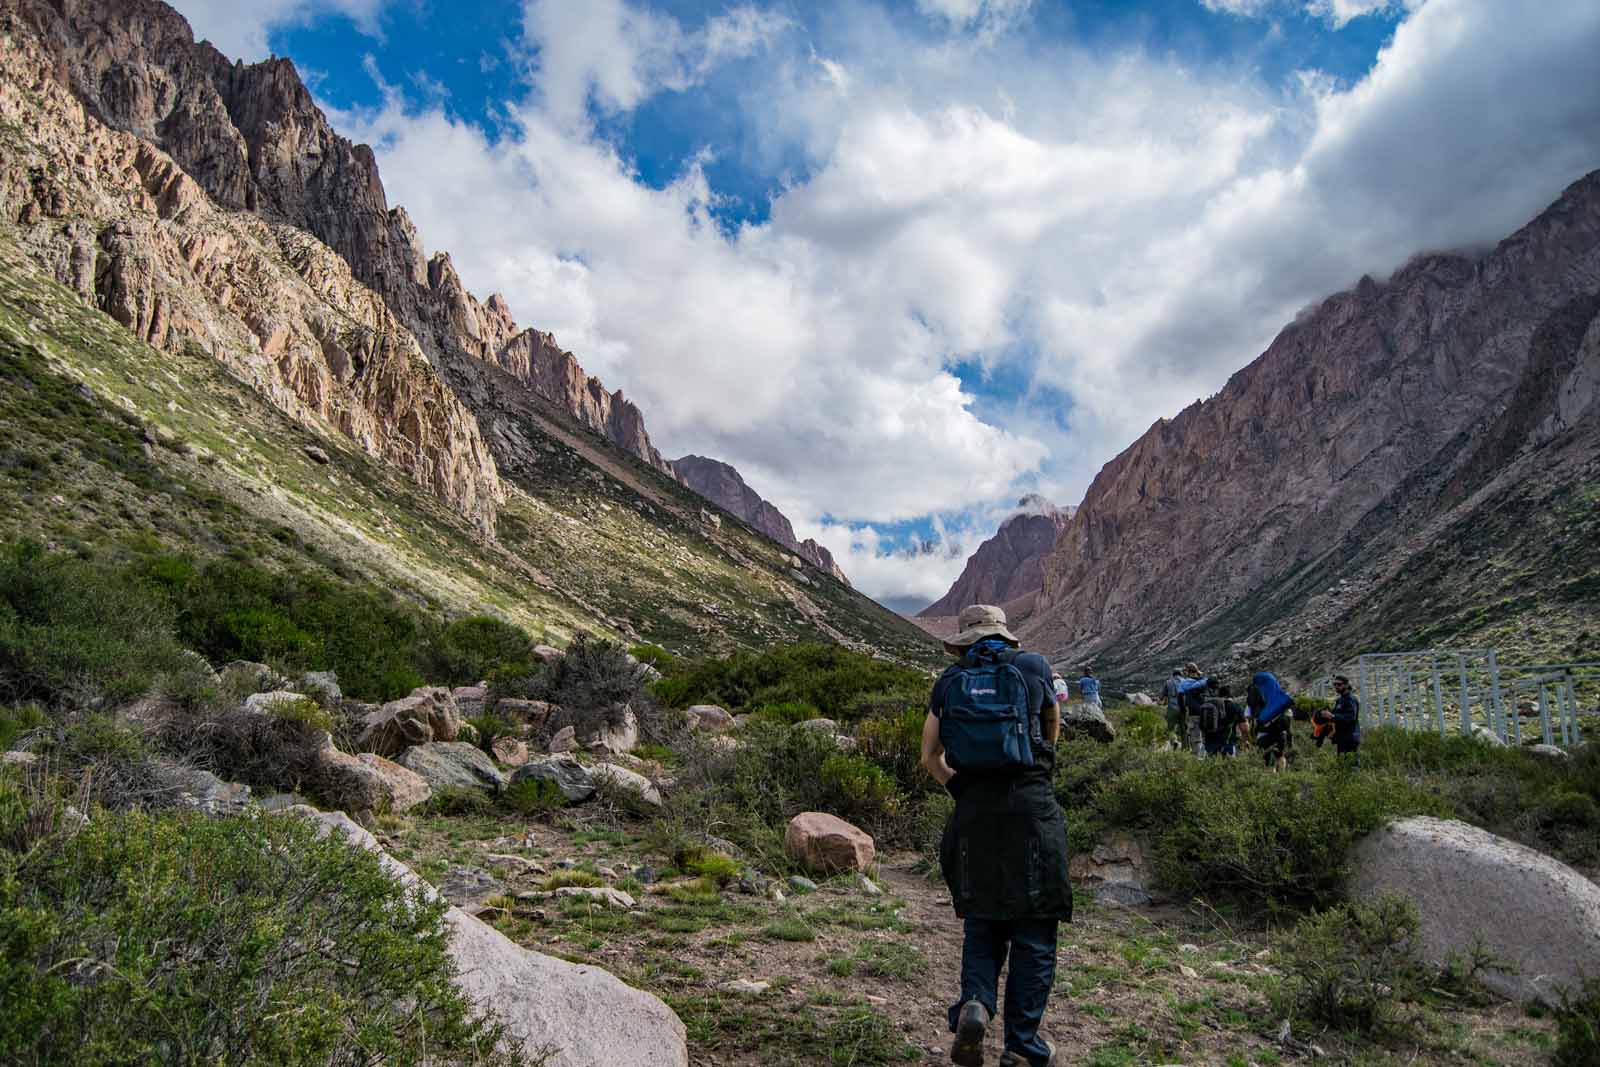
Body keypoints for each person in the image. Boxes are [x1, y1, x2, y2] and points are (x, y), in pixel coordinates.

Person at [922, 604, 1070, 1067]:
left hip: (974, 816)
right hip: (1031, 809)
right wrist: (1039, 772)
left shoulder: (950, 680)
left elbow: (929, 756)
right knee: (1035, 929)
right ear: (1005, 635)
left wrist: (961, 789)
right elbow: (1052, 726)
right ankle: (1022, 1046)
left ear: (963, 641)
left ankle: (976, 1004)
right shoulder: (1034, 667)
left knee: (982, 922)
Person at [1247, 670, 1294, 772]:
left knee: (1267, 762)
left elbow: (1249, 718)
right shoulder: (1280, 696)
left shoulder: (1254, 696)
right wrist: (1289, 737)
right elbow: (1289, 717)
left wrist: (1250, 737)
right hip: (1280, 733)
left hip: (1263, 734)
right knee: (1280, 755)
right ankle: (1282, 777)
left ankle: (1271, 778)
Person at [1201, 684, 1249, 757]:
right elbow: (1244, 728)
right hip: (1227, 745)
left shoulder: (1210, 706)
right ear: (1230, 695)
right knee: (1227, 763)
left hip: (1209, 745)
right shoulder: (1235, 707)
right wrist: (1244, 741)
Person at [1327, 675, 1361, 764]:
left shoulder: (1351, 699)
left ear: (1346, 685)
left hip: (1350, 737)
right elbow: (1334, 715)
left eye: (1339, 684)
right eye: (1334, 684)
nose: (1336, 686)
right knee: (1341, 764)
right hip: (1341, 737)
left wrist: (1333, 716)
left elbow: (1351, 717)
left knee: (1352, 764)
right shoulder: (1340, 700)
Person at [1162, 669, 1185, 749]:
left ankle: (1174, 741)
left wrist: (1164, 703)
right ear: (1181, 674)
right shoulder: (1185, 681)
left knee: (1170, 728)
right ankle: (1185, 748)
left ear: (1173, 675)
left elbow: (1163, 696)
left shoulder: (1168, 682)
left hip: (1172, 708)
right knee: (1183, 729)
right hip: (1183, 709)